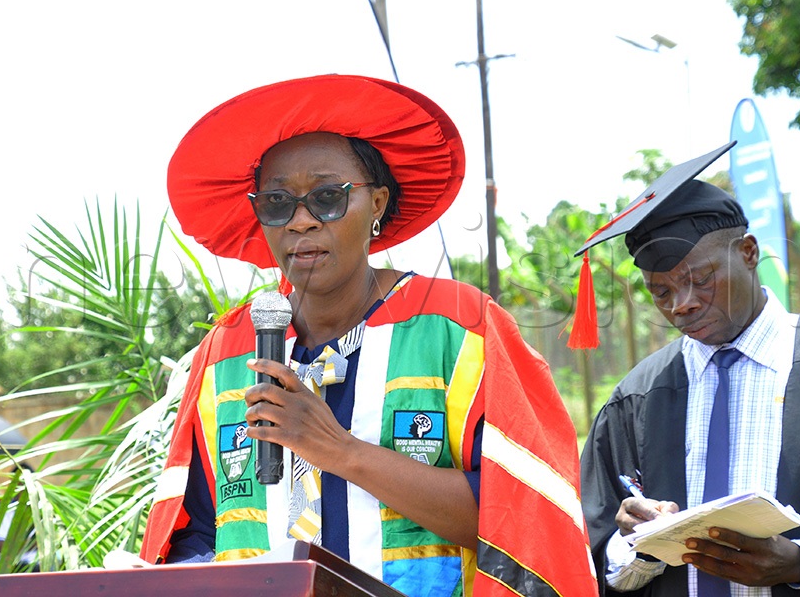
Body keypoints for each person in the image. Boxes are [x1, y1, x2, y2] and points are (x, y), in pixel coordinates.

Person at [138, 74, 597, 597]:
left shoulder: (458, 328)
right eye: (276, 203)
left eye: (328, 198)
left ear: (377, 204)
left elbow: (521, 519)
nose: (302, 222)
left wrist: (340, 451)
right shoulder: (228, 352)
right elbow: (197, 528)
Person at [577, 144, 800, 596]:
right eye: (661, 292)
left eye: (701, 278)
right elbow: (596, 559)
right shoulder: (636, 400)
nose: (682, 304)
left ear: (749, 253)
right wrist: (638, 543)